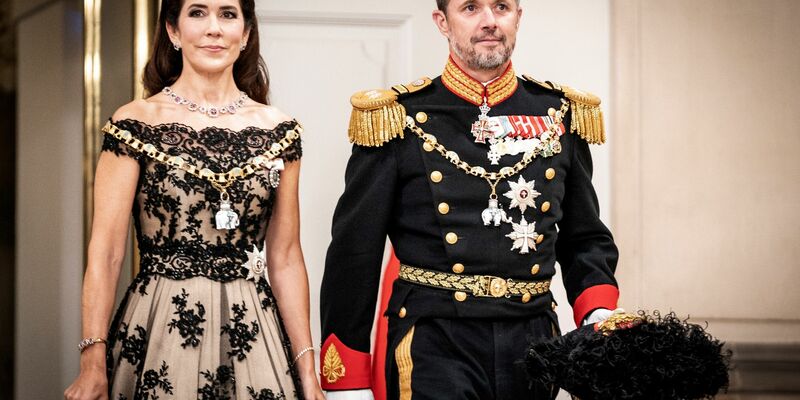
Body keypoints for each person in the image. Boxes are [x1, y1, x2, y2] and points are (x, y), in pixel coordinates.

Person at [320, 0, 619, 399]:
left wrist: (598, 313)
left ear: (518, 17)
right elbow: (355, 253)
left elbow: (584, 237)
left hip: (534, 338)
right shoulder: (397, 117)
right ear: (442, 22)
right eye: (471, 8)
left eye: (501, 7)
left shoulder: (557, 113)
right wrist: (348, 380)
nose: (489, 21)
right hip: (433, 340)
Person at [64, 1, 324, 399]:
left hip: (253, 332)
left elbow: (286, 258)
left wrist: (307, 371)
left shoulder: (279, 132)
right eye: (197, 13)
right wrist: (92, 363)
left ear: (246, 33)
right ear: (173, 30)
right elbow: (107, 253)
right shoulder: (135, 123)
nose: (213, 28)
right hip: (160, 326)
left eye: (228, 14)